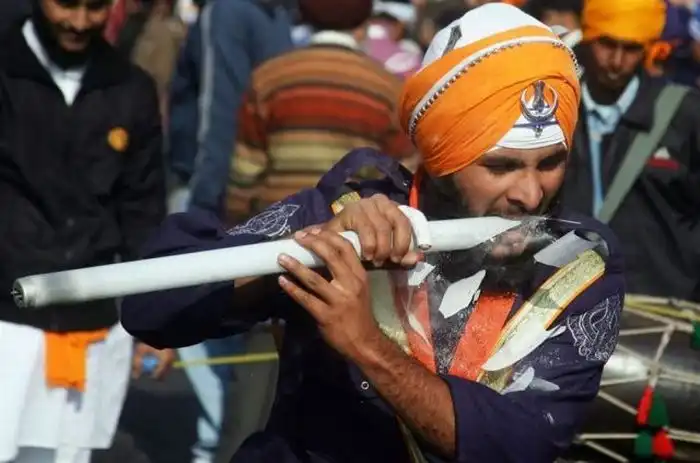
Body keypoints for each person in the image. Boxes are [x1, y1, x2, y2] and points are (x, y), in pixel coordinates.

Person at [122, 4, 624, 462]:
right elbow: (149, 306)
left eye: (550, 163)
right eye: (501, 167)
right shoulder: (344, 210)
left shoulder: (578, 262)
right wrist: (309, 256)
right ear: (442, 160)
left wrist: (365, 344)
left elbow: (519, 445)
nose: (531, 195)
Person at [0, 1, 172, 462]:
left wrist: (158, 318)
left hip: (90, 323)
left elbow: (142, 211)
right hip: (6, 321)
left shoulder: (130, 88)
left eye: (94, 7)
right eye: (66, 4)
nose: (78, 22)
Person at [560, 0, 700, 301]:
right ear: (588, 38)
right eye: (607, 44)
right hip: (569, 302)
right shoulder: (559, 110)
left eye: (631, 48)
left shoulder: (684, 115)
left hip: (659, 308)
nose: (616, 61)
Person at [226, 0, 415, 223]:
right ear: (363, 26)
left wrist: (236, 221)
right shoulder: (388, 87)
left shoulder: (267, 78)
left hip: (278, 228)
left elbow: (245, 172)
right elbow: (401, 172)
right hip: (352, 231)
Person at [167, 0, 293, 217]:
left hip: (212, 190)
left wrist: (203, 204)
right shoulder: (278, 15)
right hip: (260, 187)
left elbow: (218, 111)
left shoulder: (225, 12)